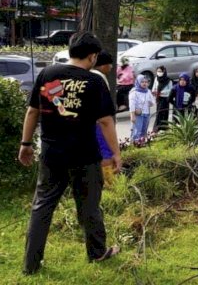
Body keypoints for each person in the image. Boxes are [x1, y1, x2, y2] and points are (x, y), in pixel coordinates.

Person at [18, 32, 121, 275]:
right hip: (84, 156)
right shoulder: (94, 82)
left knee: (42, 206)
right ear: (93, 56)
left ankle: (30, 265)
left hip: (52, 154)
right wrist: (116, 153)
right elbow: (106, 122)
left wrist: (25, 144)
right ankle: (97, 253)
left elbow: (33, 111)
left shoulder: (48, 74)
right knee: (89, 207)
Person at [91, 51, 116, 184]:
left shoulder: (87, 74)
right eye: (109, 64)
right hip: (98, 123)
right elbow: (104, 112)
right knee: (106, 152)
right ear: (102, 65)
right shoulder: (99, 77)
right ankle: (109, 183)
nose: (111, 67)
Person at [129, 74, 155, 143]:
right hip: (138, 114)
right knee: (137, 131)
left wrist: (150, 102)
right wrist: (132, 115)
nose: (144, 83)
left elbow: (152, 102)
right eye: (142, 82)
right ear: (138, 82)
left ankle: (141, 144)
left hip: (146, 113)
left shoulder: (148, 91)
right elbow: (131, 104)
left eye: (146, 82)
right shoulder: (134, 92)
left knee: (144, 131)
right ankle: (134, 145)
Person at [151, 66, 172, 132]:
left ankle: (162, 127)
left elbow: (170, 90)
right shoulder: (156, 79)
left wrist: (160, 92)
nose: (159, 73)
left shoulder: (169, 80)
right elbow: (154, 87)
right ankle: (158, 128)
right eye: (158, 71)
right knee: (159, 112)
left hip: (165, 99)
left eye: (160, 71)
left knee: (164, 113)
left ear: (164, 72)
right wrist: (154, 91)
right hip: (158, 99)